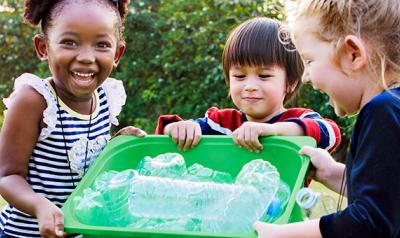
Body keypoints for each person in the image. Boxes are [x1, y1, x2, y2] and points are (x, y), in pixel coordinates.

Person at [253, 0, 400, 237]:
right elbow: (388, 197)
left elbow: (371, 222)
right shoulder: (394, 107)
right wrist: (332, 173)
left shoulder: (382, 111)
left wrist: (280, 234)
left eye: (309, 61)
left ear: (353, 55)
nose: (306, 77)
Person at [0, 0, 145, 237]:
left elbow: (85, 163)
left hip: (79, 231)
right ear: (43, 47)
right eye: (69, 42)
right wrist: (39, 205)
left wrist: (117, 146)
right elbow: (7, 175)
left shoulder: (107, 97)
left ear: (117, 53)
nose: (87, 57)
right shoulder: (34, 101)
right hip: (25, 233)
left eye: (101, 44)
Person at [156, 17, 341, 154]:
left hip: (285, 207)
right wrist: (177, 129)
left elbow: (331, 134)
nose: (250, 86)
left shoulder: (298, 119)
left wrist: (273, 130)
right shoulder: (221, 124)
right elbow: (169, 134)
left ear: (291, 83)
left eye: (264, 75)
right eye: (239, 76)